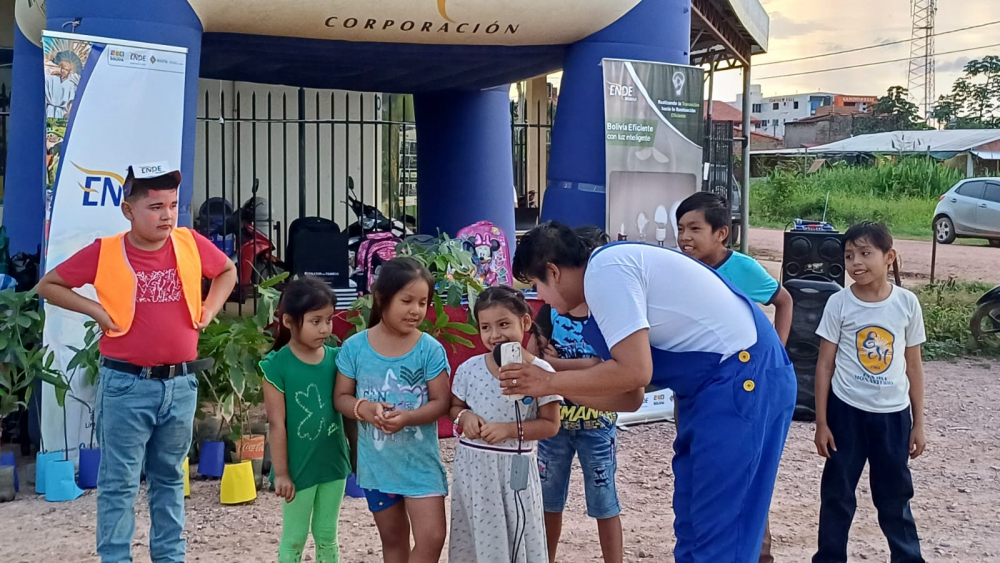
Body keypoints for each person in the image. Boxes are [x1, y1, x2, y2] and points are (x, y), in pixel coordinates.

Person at [502, 221, 796, 563]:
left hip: (744, 379)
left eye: (537, 284)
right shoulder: (602, 288)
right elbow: (629, 395)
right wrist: (546, 379)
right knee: (693, 520)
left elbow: (634, 371)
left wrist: (549, 382)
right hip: (712, 388)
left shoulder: (605, 273)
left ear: (553, 271)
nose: (541, 297)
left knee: (721, 530)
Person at [37, 163, 237, 562]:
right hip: (126, 386)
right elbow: (49, 285)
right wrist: (95, 310)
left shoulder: (190, 243)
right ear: (128, 210)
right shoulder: (106, 251)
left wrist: (210, 308)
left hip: (180, 385)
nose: (166, 215)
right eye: (155, 206)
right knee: (119, 483)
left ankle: (170, 558)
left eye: (173, 206)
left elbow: (227, 271)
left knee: (170, 479)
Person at [676, 192, 794, 563]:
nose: (685, 237)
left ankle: (758, 554)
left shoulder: (741, 268)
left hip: (742, 393)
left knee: (744, 478)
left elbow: (784, 300)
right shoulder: (681, 271)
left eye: (695, 228)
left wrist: (774, 352)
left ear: (722, 233)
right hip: (696, 391)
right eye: (680, 229)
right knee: (700, 476)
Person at [812, 222, 927, 563]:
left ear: (889, 257)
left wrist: (918, 422)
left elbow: (914, 366)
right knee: (837, 494)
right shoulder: (839, 303)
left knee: (894, 496)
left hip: (893, 416)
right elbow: (823, 365)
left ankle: (908, 557)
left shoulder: (907, 303)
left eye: (865, 253)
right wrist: (821, 421)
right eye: (849, 255)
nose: (855, 262)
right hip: (845, 414)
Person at [333, 257, 451, 563]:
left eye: (423, 302)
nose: (415, 310)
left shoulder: (429, 349)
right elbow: (341, 398)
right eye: (407, 300)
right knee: (394, 541)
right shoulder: (355, 347)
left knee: (433, 536)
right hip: (378, 467)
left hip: (421, 465)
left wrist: (409, 418)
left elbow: (442, 402)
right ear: (382, 298)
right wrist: (366, 409)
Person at [527, 226, 624, 563]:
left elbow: (610, 365)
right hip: (554, 423)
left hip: (598, 421)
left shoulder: (608, 311)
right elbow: (534, 358)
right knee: (549, 501)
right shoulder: (551, 309)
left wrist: (559, 366)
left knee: (604, 501)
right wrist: (562, 365)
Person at [449, 286, 562, 563]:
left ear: (524, 322)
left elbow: (551, 424)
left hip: (515, 468)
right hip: (474, 470)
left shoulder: (542, 372)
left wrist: (509, 430)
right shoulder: (469, 369)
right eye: (485, 327)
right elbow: (454, 407)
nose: (495, 335)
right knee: (477, 537)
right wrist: (465, 418)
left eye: (503, 324)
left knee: (517, 534)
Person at [262, 276, 352, 563]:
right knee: (294, 538)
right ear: (289, 321)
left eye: (328, 320)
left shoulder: (339, 360)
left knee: (328, 536)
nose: (325, 329)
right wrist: (283, 473)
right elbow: (277, 425)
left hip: (334, 464)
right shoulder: (276, 367)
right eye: (316, 321)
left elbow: (349, 414)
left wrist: (357, 455)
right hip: (298, 470)